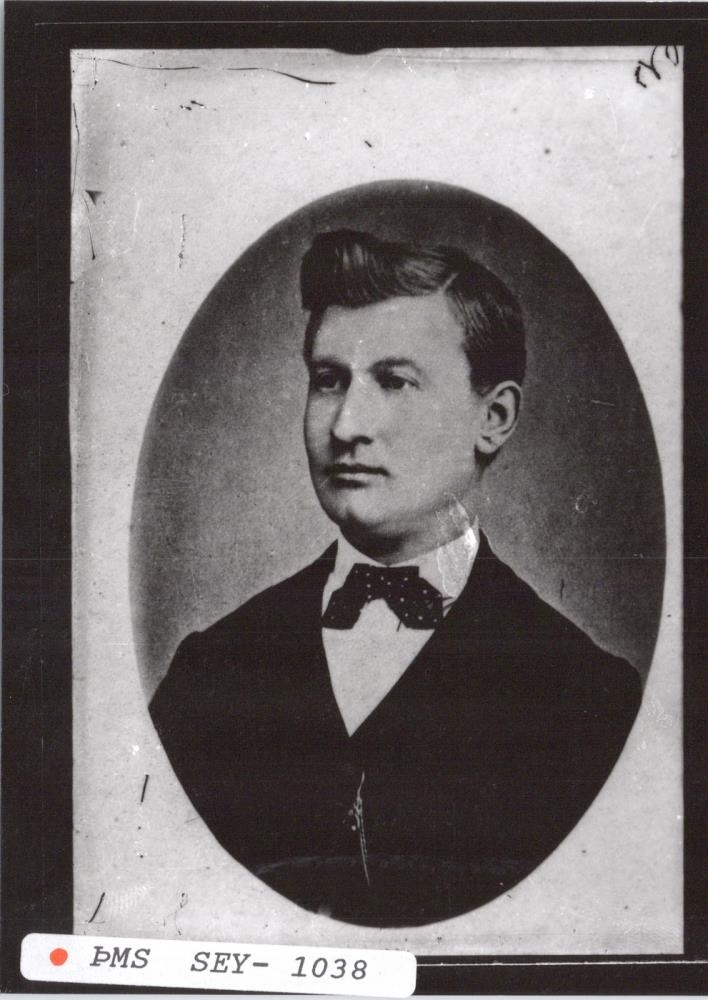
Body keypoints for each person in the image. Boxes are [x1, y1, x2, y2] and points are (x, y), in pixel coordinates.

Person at [150, 230, 642, 927]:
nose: (347, 425)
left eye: (395, 381)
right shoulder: (211, 669)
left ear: (493, 418)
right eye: (329, 380)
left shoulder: (589, 700)